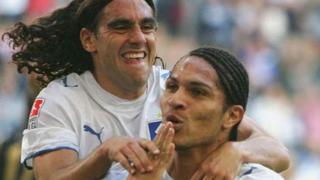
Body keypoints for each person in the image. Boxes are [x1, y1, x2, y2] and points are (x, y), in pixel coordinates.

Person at [1, 0, 289, 179]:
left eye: (147, 26)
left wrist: (236, 153)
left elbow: (276, 151)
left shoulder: (173, 87)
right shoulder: (61, 99)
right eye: (122, 26)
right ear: (89, 40)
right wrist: (105, 153)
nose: (138, 38)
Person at [129, 47, 284, 180]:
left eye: (197, 92)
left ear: (232, 116)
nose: (175, 100)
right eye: (171, 86)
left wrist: (237, 151)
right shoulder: (130, 172)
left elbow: (280, 152)